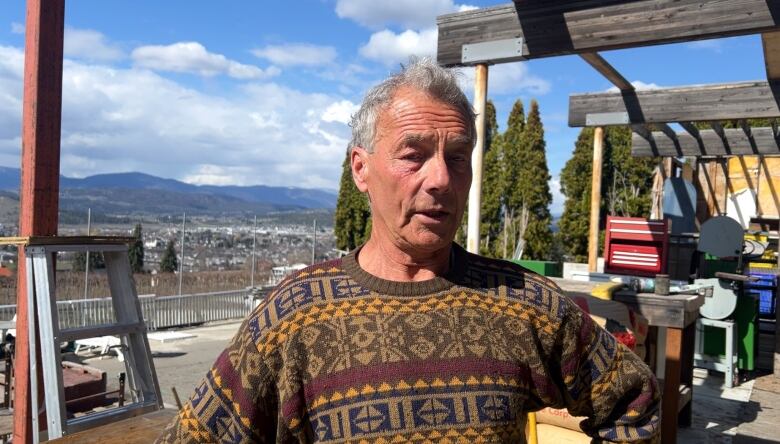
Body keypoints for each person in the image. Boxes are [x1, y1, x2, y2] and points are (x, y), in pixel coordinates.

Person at [157, 58, 660, 443]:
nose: (440, 179)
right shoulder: (295, 316)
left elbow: (638, 405)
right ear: (361, 169)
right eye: (413, 156)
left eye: (457, 157)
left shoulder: (525, 302)